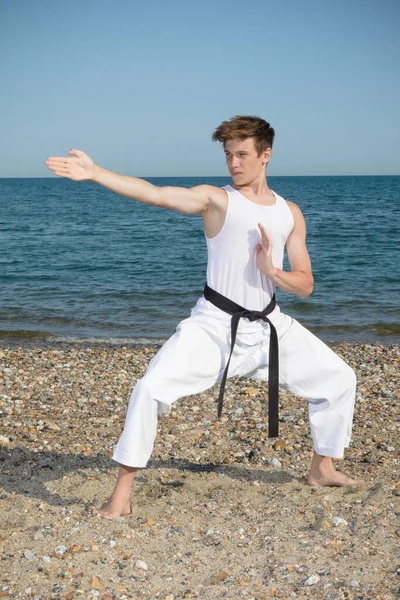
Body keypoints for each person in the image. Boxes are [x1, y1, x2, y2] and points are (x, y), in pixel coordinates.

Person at [46, 115, 358, 520]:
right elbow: (158, 194)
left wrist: (272, 272)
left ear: (266, 155)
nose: (234, 163)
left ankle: (322, 468)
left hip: (269, 327)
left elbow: (305, 284)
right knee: (150, 388)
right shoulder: (216, 199)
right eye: (228, 154)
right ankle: (121, 492)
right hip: (214, 325)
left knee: (339, 378)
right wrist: (96, 173)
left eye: (242, 154)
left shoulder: (290, 212)